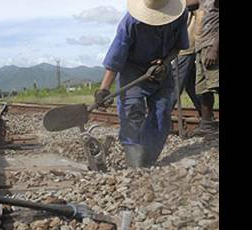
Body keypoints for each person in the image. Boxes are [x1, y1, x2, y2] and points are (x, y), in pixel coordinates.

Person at [94, 0, 189, 168]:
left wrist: (165, 62)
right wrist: (103, 89)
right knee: (132, 111)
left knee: (162, 112)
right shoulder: (131, 23)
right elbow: (115, 60)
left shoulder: (180, 16)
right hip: (132, 70)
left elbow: (179, 47)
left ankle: (146, 161)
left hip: (161, 71)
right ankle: (134, 161)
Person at [171, 0, 202, 117]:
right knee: (192, 85)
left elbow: (195, 3)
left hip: (187, 45)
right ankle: (206, 117)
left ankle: (160, 120)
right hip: (186, 44)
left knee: (175, 84)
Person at [192, 0, 219, 135]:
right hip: (201, 47)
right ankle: (207, 125)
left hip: (212, 46)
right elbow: (187, 4)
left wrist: (215, 49)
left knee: (217, 84)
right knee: (204, 89)